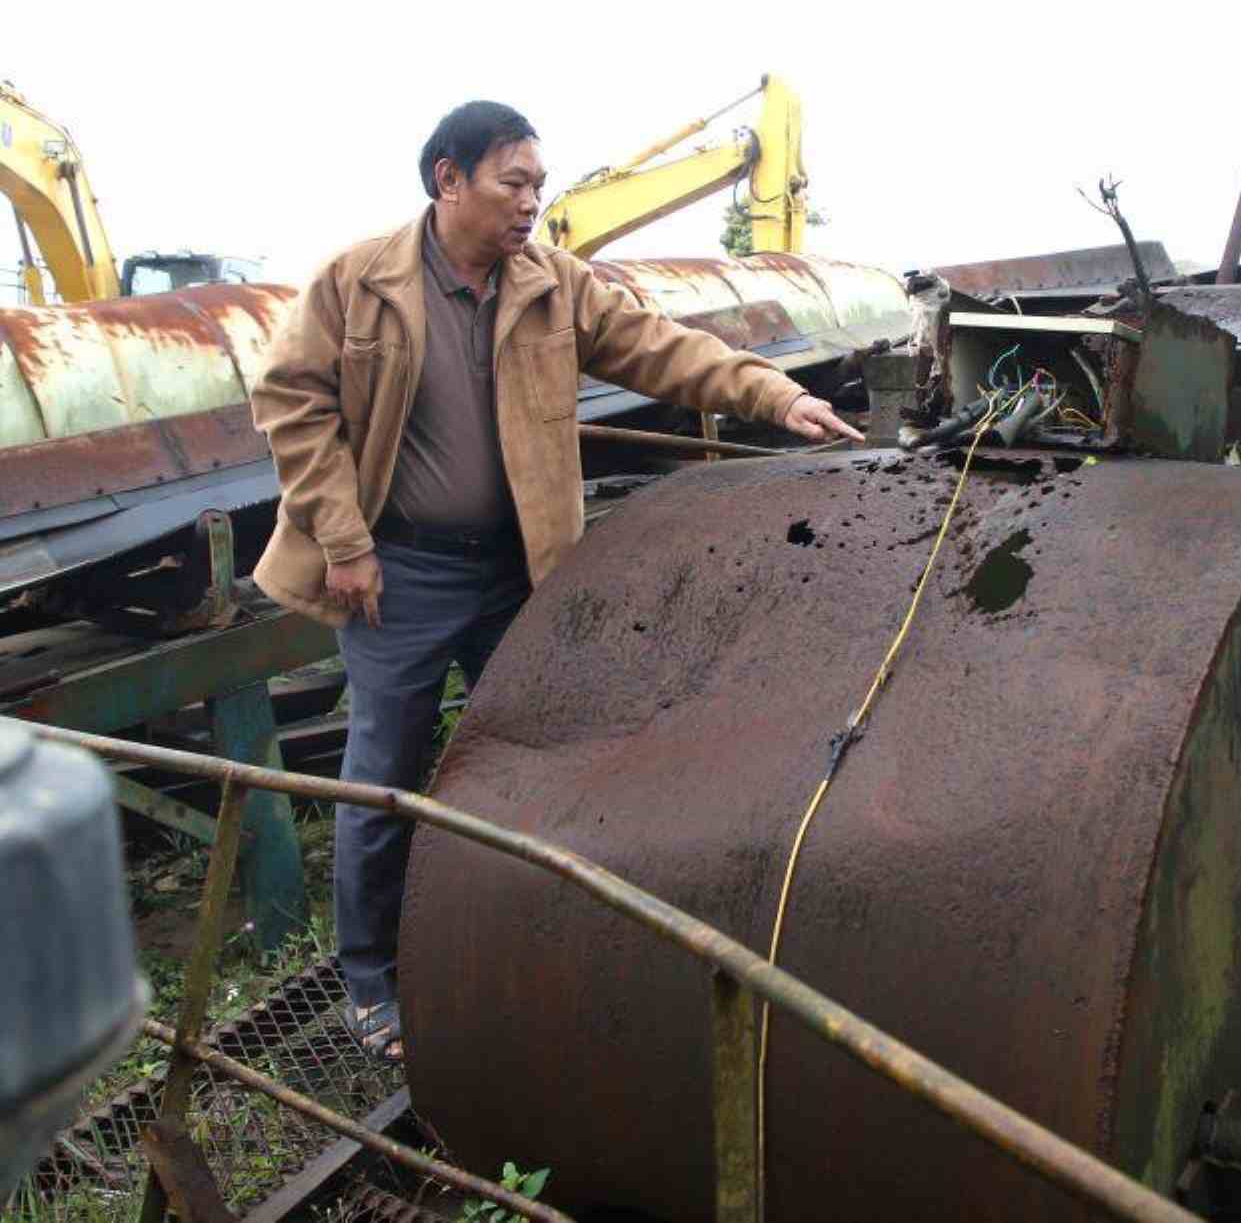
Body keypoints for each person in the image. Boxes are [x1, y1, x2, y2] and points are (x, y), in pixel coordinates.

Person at [249, 100, 861, 1061]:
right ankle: (371, 980)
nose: (533, 202)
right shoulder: (356, 282)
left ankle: (514, 941)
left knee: (546, 754)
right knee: (383, 777)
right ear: (447, 180)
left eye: (539, 183)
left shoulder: (553, 285)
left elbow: (666, 350)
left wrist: (778, 394)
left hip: (516, 573)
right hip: (394, 575)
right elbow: (291, 399)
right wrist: (343, 537)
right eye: (513, 182)